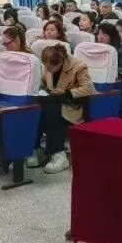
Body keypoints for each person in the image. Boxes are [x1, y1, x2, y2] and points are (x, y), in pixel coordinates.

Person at [30, 45, 96, 173]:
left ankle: (58, 153)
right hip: (52, 101)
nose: (48, 70)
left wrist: (66, 93)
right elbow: (43, 82)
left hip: (71, 106)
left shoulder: (79, 66)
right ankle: (37, 149)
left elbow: (89, 89)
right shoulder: (48, 65)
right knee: (36, 107)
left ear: (61, 62)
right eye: (46, 66)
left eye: (51, 67)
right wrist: (39, 89)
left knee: (52, 109)